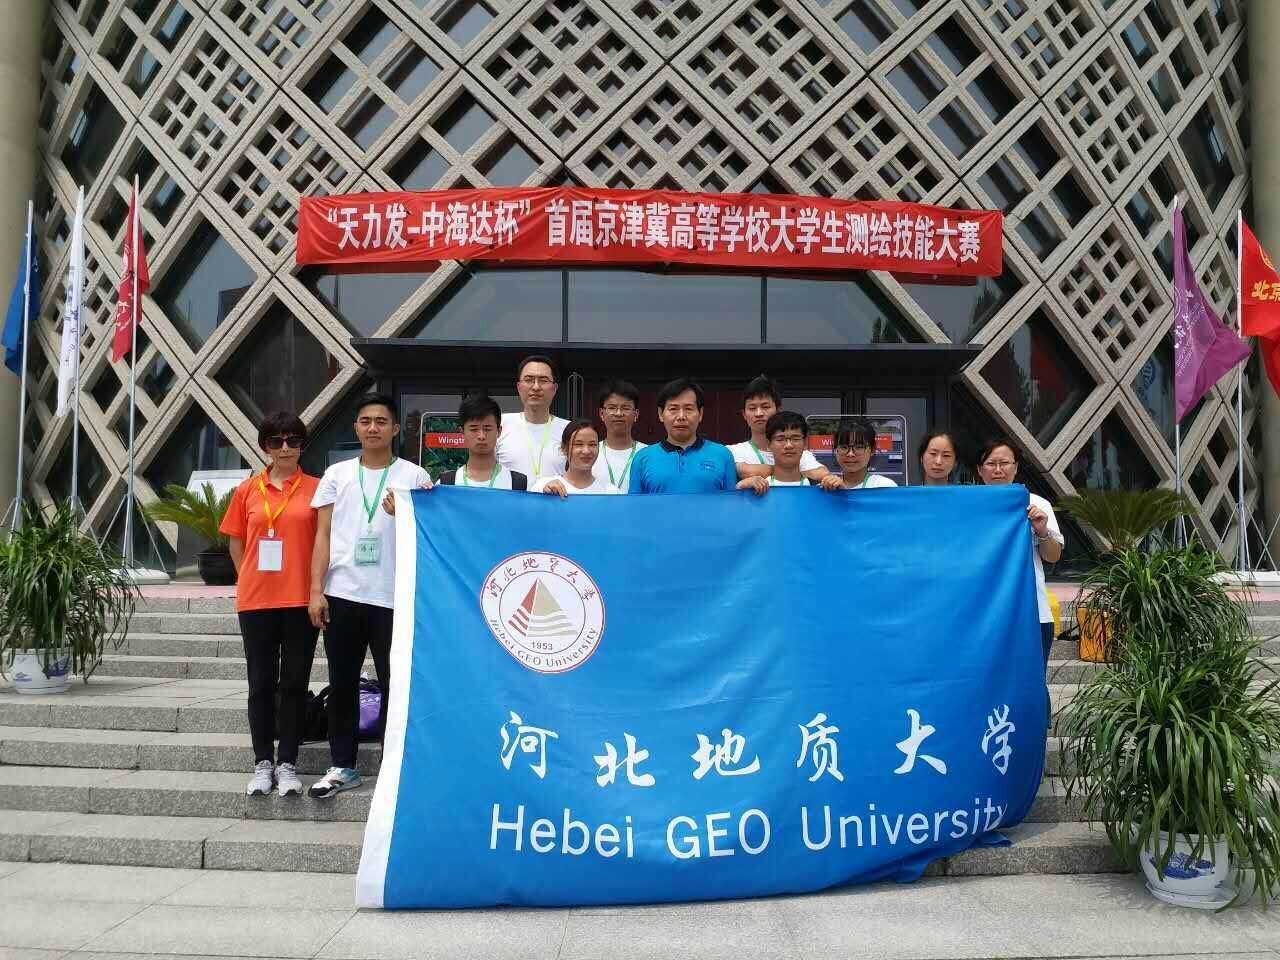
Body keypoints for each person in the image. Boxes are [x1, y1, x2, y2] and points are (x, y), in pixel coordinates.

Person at [308, 392, 432, 798]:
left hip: (394, 597)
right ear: (356, 427)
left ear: (395, 429)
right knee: (342, 682)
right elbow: (322, 536)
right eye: (366, 421)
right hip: (342, 593)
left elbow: (429, 535)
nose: (373, 427)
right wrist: (316, 590)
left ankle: (395, 766)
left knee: (397, 684)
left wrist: (407, 513)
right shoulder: (337, 474)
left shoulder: (414, 476)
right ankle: (342, 765)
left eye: (381, 421)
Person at [219, 412, 320, 799]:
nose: (285, 448)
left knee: (294, 683)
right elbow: (236, 542)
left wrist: (317, 590)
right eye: (276, 441)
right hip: (257, 601)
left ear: (302, 446)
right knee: (260, 684)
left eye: (293, 441)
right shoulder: (246, 490)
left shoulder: (317, 489)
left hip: (300, 600)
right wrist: (249, 578)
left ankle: (288, 762)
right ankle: (263, 761)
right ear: (265, 446)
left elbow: (325, 542)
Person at [976, 438, 1064, 706]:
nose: (998, 469)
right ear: (980, 469)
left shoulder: (1036, 504)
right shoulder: (969, 506)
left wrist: (1042, 530)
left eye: (1004, 463)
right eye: (991, 463)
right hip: (982, 615)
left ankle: (1036, 732)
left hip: (1032, 612)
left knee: (1031, 684)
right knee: (986, 683)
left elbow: (1053, 556)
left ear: (1016, 467)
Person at [630, 377, 767, 495]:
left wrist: (742, 488)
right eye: (673, 409)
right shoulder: (642, 458)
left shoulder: (722, 455)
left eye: (688, 409)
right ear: (661, 414)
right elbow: (634, 508)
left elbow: (730, 504)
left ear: (700, 414)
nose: (681, 416)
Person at [729, 375, 839, 489]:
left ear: (778, 410)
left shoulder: (803, 454)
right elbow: (745, 472)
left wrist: (774, 471)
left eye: (765, 407)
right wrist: (792, 471)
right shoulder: (732, 452)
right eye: (752, 408)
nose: (759, 413)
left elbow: (822, 474)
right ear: (744, 414)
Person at [495, 355, 568, 484]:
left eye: (543, 380)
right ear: (519, 387)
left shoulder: (569, 430)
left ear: (554, 388)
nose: (536, 387)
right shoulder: (500, 425)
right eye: (529, 380)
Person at [437, 394, 528, 490]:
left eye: (487, 429)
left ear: (499, 431)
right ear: (462, 432)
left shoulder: (517, 484)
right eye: (474, 429)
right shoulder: (446, 484)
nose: (481, 436)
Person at [534, 420, 619, 496]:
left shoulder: (611, 493)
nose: (586, 451)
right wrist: (544, 497)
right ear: (564, 449)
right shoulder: (543, 487)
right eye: (578, 444)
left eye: (592, 444)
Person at [592, 379, 647, 493]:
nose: (618, 413)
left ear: (636, 414)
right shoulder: (590, 452)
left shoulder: (647, 453)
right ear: (601, 414)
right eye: (612, 408)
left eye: (625, 408)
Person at [835, 418, 898, 489]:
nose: (850, 454)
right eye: (844, 447)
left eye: (859, 447)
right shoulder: (829, 487)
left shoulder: (884, 486)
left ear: (872, 450)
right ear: (836, 449)